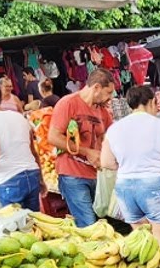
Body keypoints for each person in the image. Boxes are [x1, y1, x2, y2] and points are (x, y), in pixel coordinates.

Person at [100, 85, 160, 268]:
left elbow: (106, 163)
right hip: (155, 188)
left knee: (145, 244)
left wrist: (128, 166)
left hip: (126, 190)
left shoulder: (114, 129)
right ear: (151, 102)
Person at [47, 69, 115, 227]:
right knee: (88, 224)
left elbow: (107, 139)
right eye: (108, 92)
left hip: (96, 174)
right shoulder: (68, 103)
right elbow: (53, 137)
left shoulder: (103, 112)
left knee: (102, 223)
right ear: (96, 87)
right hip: (72, 174)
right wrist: (87, 152)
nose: (110, 98)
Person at [0, 78, 42, 211]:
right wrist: (41, 179)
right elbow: (33, 152)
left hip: (10, 180)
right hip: (32, 174)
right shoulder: (18, 116)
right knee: (34, 224)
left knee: (14, 226)